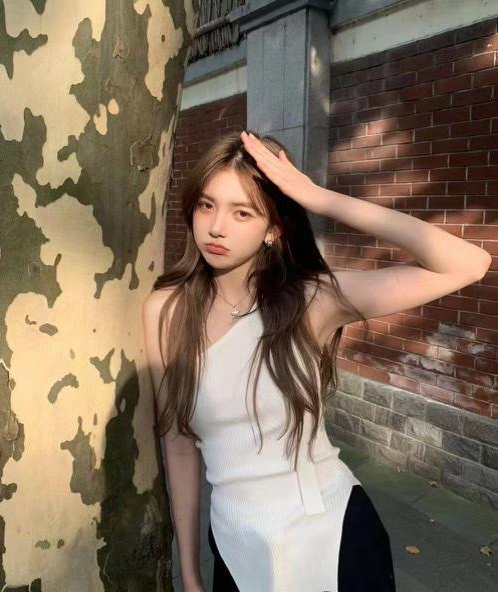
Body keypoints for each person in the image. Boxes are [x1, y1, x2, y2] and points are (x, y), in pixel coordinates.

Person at [141, 129, 491, 592]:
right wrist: (188, 573)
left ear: (273, 229)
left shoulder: (310, 301)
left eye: (242, 212)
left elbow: (469, 263)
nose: (217, 227)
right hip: (236, 543)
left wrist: (321, 199)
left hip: (333, 534)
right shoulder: (166, 311)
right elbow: (178, 444)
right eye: (207, 205)